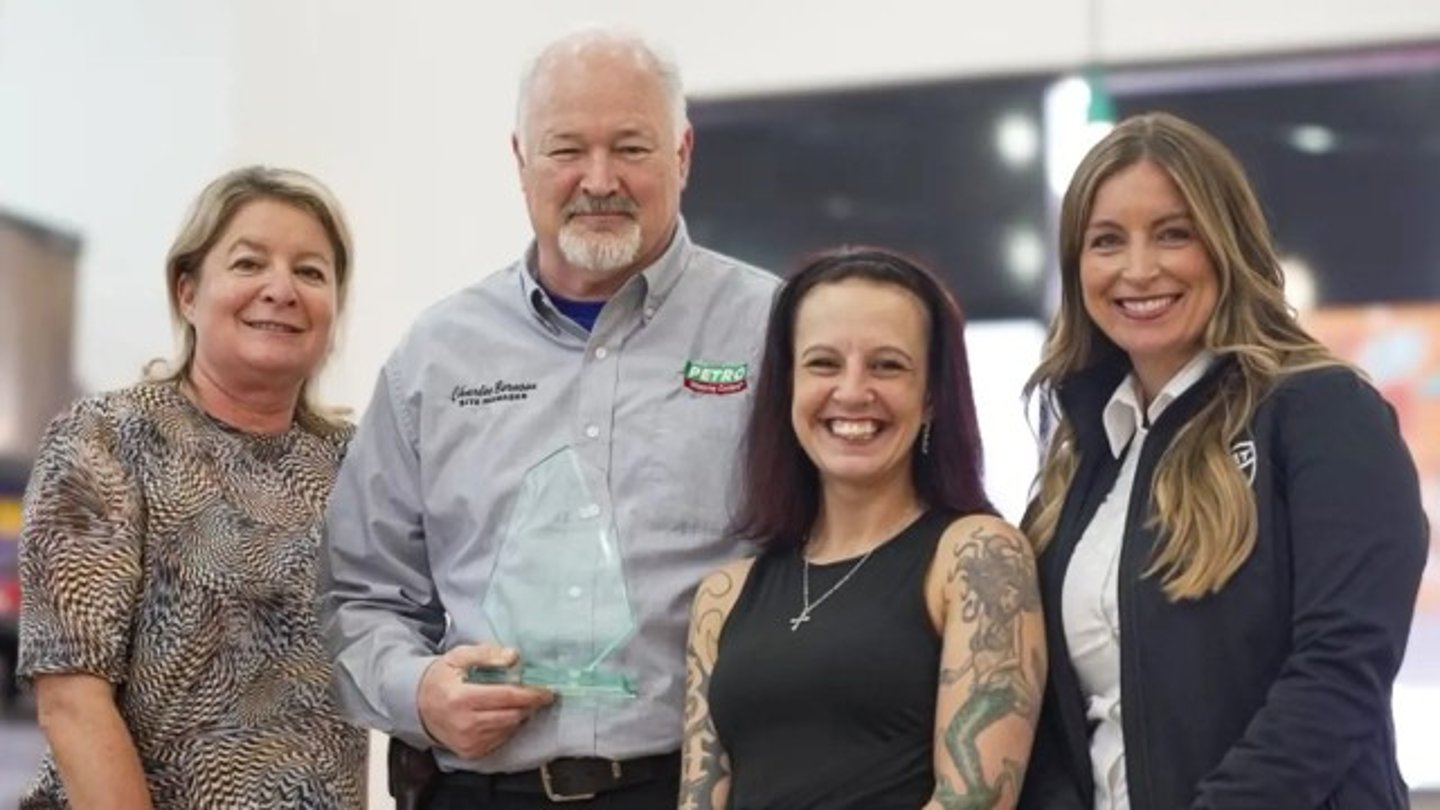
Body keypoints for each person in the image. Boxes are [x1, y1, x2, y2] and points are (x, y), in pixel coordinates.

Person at [318, 27, 778, 809]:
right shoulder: (438, 354)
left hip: (702, 789)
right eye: (567, 149)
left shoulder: (774, 331)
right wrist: (420, 690)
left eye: (631, 147)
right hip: (480, 792)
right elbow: (360, 594)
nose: (598, 179)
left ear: (683, 155)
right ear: (521, 161)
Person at [1018, 112, 1428, 809]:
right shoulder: (1080, 463)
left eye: (1173, 233)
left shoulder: (1322, 412)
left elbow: (1339, 672)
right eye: (1107, 241)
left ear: (1226, 243)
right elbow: (1056, 724)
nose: (1138, 269)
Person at [17, 166, 367, 808]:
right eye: (248, 263)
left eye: (311, 272)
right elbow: (70, 698)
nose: (281, 289)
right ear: (187, 292)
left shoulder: (356, 463)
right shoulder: (105, 439)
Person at [680, 247, 1046, 809]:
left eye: (887, 365)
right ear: (787, 389)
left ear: (930, 398)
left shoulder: (977, 556)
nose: (852, 391)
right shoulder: (723, 597)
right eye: (823, 363)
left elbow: (974, 801)